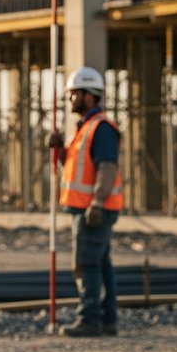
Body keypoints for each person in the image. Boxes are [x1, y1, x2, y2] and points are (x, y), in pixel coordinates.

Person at [52, 67, 123, 337]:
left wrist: (97, 202)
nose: (70, 100)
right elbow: (76, 166)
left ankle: (90, 319)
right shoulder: (84, 129)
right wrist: (59, 150)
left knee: (86, 264)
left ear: (89, 96)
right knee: (101, 264)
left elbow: (107, 168)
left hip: (93, 209)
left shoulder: (101, 128)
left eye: (74, 95)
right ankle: (107, 319)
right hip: (87, 207)